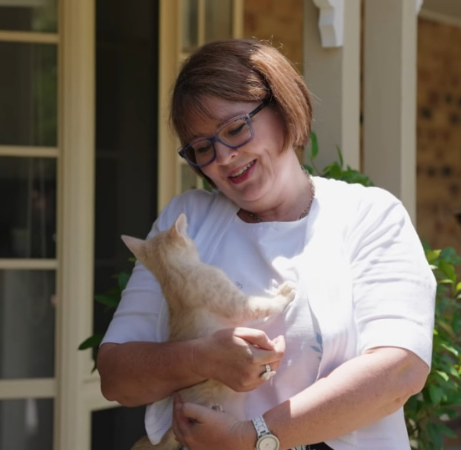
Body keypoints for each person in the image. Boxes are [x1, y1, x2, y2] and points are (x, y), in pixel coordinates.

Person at [98, 39, 436, 450]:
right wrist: (202, 357)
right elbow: (116, 377)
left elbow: (400, 371)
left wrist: (251, 438)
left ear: (283, 107)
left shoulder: (369, 215)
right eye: (203, 148)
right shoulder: (186, 222)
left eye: (235, 129)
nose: (223, 157)